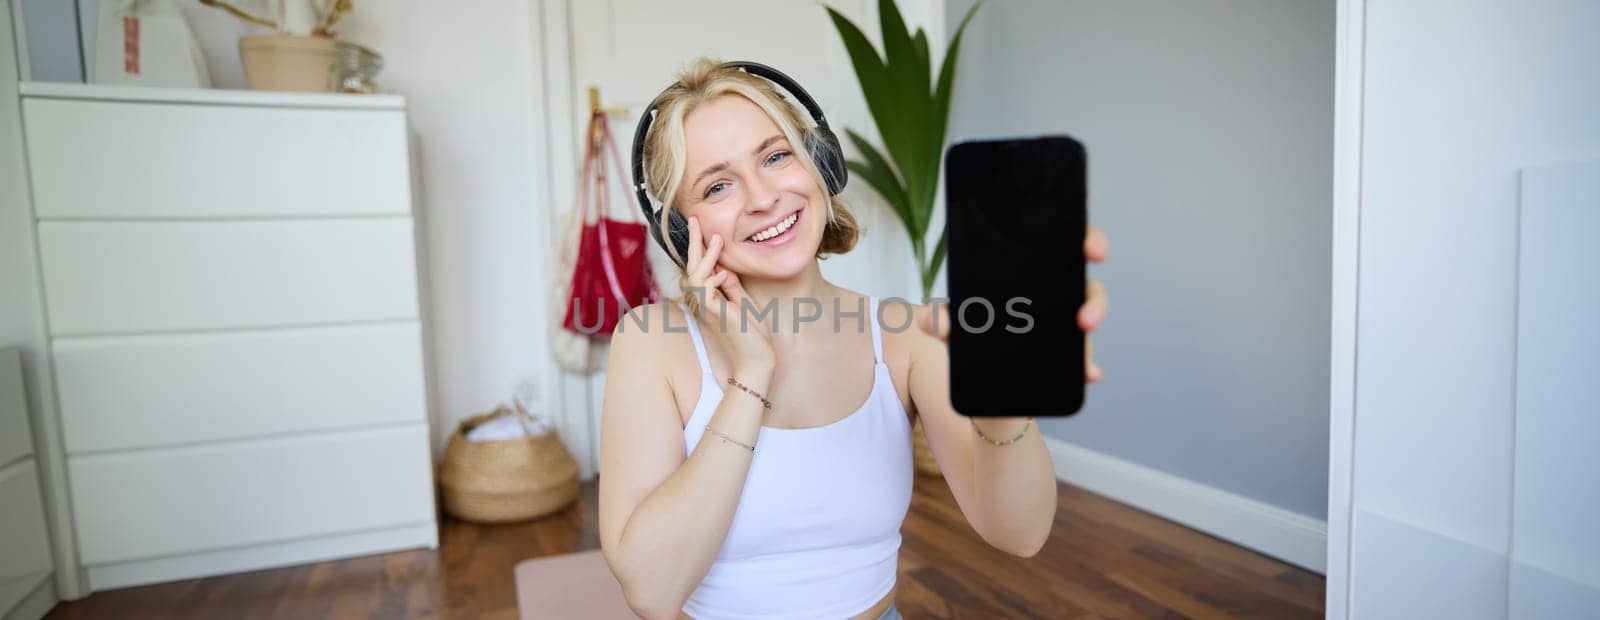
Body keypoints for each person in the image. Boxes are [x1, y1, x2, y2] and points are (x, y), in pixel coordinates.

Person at [597, 58, 1110, 620]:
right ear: (679, 228)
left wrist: (1006, 404)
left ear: (821, 166)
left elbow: (1021, 534)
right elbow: (650, 590)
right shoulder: (651, 340)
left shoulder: (904, 337)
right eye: (718, 185)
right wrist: (750, 375)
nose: (764, 197)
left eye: (776, 156)